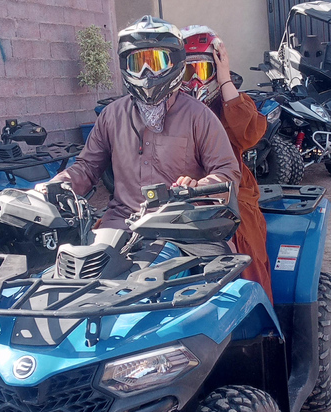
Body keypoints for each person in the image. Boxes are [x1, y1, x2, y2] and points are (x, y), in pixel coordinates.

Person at [37, 16, 240, 245]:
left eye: (157, 62)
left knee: (223, 273)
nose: (146, 73)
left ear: (175, 63)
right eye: (138, 63)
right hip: (120, 225)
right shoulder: (112, 116)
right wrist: (55, 186)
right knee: (77, 272)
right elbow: (87, 168)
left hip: (184, 225)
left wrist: (198, 187)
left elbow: (227, 173)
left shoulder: (199, 116)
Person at [179, 25, 273, 300]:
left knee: (245, 249)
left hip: (229, 196)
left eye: (204, 70)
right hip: (175, 196)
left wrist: (224, 79)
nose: (196, 80)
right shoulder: (167, 108)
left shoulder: (225, 105)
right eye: (187, 71)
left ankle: (257, 318)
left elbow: (250, 133)